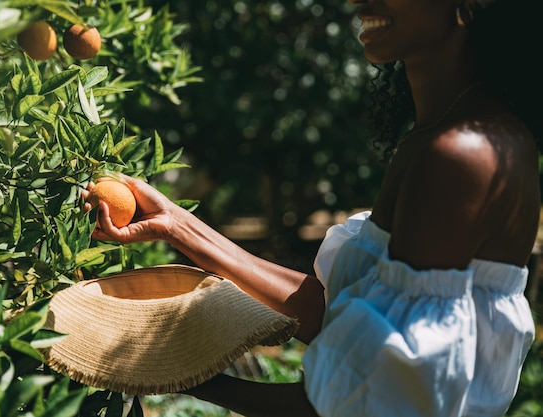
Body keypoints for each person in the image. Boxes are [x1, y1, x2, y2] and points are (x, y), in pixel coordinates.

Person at [82, 0, 541, 415]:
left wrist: (177, 372)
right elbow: (343, 314)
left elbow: (361, 402)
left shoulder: (461, 153)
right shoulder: (443, 136)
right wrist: (177, 226)